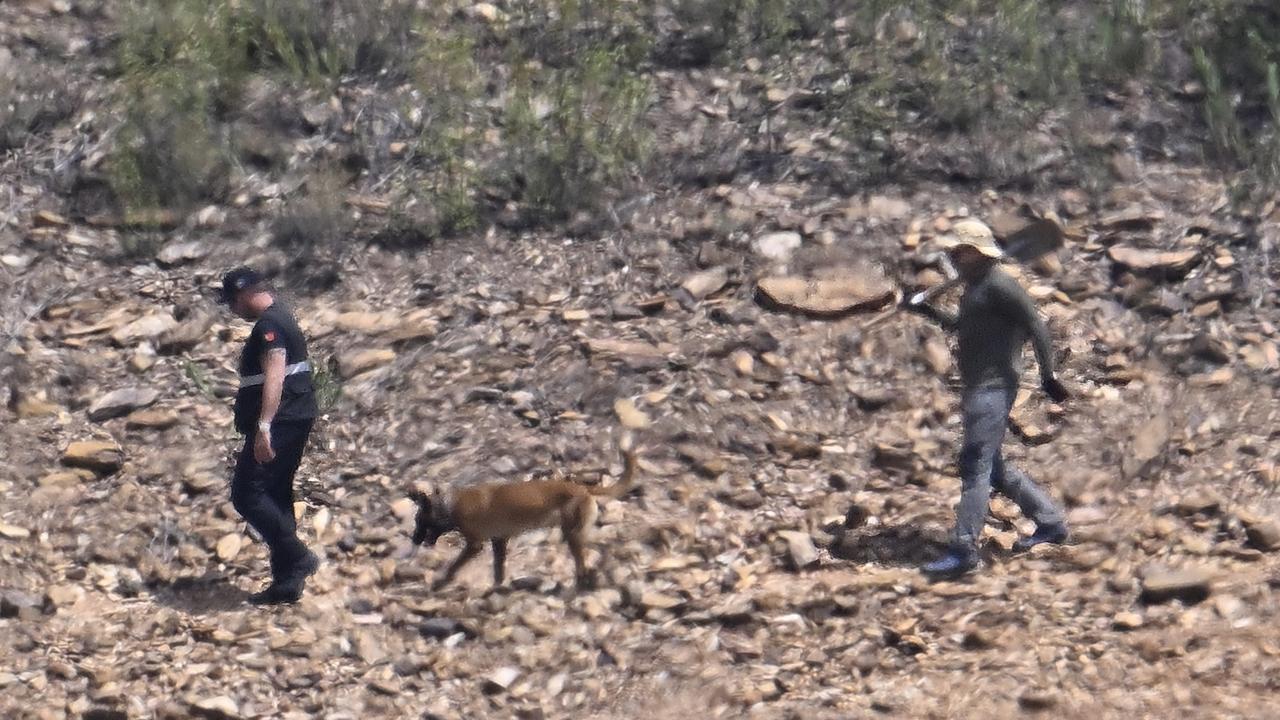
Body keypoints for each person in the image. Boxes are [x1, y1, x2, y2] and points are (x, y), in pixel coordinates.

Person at [905, 220, 1070, 578]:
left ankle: (964, 550)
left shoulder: (1000, 285)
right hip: (977, 386)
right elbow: (965, 328)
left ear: (977, 252)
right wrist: (926, 311)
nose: (954, 256)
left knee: (975, 466)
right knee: (992, 467)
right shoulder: (976, 285)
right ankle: (1051, 522)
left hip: (995, 388)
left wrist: (1048, 375)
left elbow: (1037, 327)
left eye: (960, 251)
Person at [218, 267, 320, 604]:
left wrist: (264, 426)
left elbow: (275, 374)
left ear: (245, 292)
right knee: (276, 495)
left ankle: (298, 557)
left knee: (247, 494)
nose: (233, 309)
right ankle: (286, 583)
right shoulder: (283, 318)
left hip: (281, 420)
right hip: (295, 415)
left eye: (232, 301)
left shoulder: (269, 326)